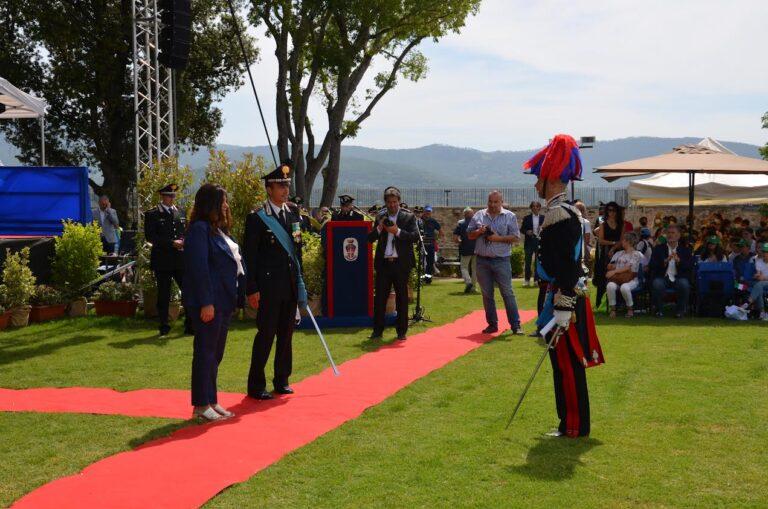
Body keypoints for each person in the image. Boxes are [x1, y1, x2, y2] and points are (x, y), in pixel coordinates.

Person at [523, 133, 604, 438]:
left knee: (568, 366)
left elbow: (568, 265)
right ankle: (568, 422)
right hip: (559, 294)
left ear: (553, 179)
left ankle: (573, 425)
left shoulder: (561, 215)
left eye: (539, 179)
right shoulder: (561, 213)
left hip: (563, 296)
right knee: (561, 364)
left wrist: (563, 303)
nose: (536, 185)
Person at [245, 162, 308, 400]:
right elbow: (250, 256)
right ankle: (256, 385)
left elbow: (297, 250)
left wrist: (300, 282)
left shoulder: (292, 214)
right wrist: (252, 288)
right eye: (280, 186)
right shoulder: (258, 218)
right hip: (268, 287)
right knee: (266, 335)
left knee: (286, 335)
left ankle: (282, 379)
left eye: (287, 185)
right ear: (269, 189)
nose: (285, 190)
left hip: (289, 285)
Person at [184, 184, 242, 422]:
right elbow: (199, 269)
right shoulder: (199, 229)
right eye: (222, 201)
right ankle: (200, 404)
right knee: (205, 352)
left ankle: (211, 400)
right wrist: (206, 302)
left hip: (224, 301)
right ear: (211, 204)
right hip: (210, 302)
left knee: (215, 354)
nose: (226, 205)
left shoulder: (216, 230)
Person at [467, 191, 523, 335]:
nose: (492, 205)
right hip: (482, 260)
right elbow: (469, 235)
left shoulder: (510, 216)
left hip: (501, 260)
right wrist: (479, 231)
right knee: (487, 294)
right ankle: (492, 324)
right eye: (490, 202)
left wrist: (497, 238)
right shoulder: (479, 215)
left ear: (501, 202)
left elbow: (516, 237)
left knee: (507, 293)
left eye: (495, 202)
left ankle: (516, 325)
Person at [367, 186, 419, 340]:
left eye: (395, 202)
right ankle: (377, 331)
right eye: (389, 202)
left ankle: (401, 332)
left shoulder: (408, 217)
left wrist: (397, 232)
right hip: (384, 264)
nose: (392, 205)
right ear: (385, 202)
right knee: (380, 298)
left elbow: (415, 237)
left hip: (401, 264)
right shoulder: (380, 216)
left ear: (399, 201)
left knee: (402, 298)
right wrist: (379, 228)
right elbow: (370, 238)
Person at [144, 183, 192, 336]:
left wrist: (183, 240)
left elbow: (184, 231)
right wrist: (171, 243)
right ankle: (164, 325)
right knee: (164, 294)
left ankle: (190, 324)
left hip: (179, 259)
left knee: (188, 290)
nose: (172, 199)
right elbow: (151, 237)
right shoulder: (153, 214)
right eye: (169, 196)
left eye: (173, 196)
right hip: (163, 260)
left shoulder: (180, 212)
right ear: (162, 196)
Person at [649, 224, 693, 318]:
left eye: (673, 233)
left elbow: (689, 266)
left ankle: (680, 311)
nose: (670, 235)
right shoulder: (658, 249)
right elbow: (652, 265)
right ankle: (659, 310)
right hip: (663, 277)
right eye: (668, 233)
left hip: (679, 277)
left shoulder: (685, 250)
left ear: (678, 235)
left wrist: (679, 261)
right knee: (657, 283)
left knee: (684, 284)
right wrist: (664, 262)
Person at [593, 201, 630, 307]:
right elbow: (601, 241)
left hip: (618, 251)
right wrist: (613, 244)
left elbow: (621, 240)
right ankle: (600, 301)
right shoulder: (603, 224)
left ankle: (617, 302)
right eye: (609, 210)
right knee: (603, 275)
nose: (612, 212)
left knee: (617, 275)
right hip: (605, 252)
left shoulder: (622, 225)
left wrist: (613, 248)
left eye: (614, 210)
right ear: (607, 211)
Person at [606, 232, 644, 318]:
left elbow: (628, 267)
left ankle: (630, 309)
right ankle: (613, 310)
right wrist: (611, 266)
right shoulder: (618, 253)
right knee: (610, 286)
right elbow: (610, 265)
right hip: (617, 278)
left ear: (628, 242)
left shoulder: (636, 254)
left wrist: (614, 271)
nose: (621, 242)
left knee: (624, 287)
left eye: (623, 240)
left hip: (631, 279)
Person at [453, 207, 478, 293]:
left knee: (464, 267)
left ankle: (468, 282)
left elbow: (455, 238)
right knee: (475, 269)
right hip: (476, 248)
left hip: (465, 248)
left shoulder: (460, 223)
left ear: (464, 214)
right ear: (472, 214)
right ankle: (474, 288)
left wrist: (460, 241)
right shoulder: (477, 223)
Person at [741, 242, 768, 320]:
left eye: (766, 252)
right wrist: (757, 276)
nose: (764, 253)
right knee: (759, 288)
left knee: (758, 285)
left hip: (764, 282)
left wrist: (764, 278)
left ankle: (747, 303)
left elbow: (763, 277)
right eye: (764, 251)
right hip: (762, 284)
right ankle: (762, 312)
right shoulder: (758, 262)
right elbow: (759, 274)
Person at [521, 201, 544, 287]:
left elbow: (547, 229)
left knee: (538, 262)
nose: (535, 208)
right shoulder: (526, 218)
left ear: (539, 208)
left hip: (539, 241)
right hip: (529, 242)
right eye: (533, 206)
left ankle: (536, 280)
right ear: (531, 208)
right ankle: (527, 280)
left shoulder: (543, 218)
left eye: (537, 206)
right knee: (528, 262)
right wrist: (527, 231)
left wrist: (542, 229)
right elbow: (522, 229)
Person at [421, 205, 442, 283]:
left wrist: (436, 239)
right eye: (427, 211)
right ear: (424, 211)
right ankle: (420, 278)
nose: (428, 213)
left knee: (430, 262)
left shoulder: (433, 221)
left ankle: (428, 278)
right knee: (421, 262)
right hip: (422, 243)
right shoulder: (419, 220)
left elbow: (440, 231)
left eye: (429, 211)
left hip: (430, 243)